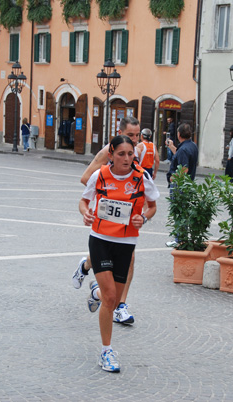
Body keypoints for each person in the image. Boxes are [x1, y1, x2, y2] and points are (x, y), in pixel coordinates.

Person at [79, 135, 159, 373]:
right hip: (101, 239)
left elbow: (153, 206)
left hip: (126, 243)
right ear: (111, 154)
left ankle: (95, 292)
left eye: (130, 153)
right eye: (121, 154)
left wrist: (143, 217)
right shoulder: (100, 175)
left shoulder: (142, 178)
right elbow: (84, 201)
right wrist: (85, 213)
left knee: (110, 299)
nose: (127, 158)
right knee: (112, 297)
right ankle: (106, 351)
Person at [74, 116, 143, 325]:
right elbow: (86, 177)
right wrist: (110, 191)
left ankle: (120, 304)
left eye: (137, 135)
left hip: (128, 217)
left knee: (128, 258)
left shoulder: (136, 151)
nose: (134, 139)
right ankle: (86, 268)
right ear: (120, 132)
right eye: (130, 135)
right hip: (107, 212)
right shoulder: (108, 151)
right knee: (103, 253)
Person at [165, 123, 199, 247]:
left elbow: (183, 169)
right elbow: (181, 156)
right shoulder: (191, 146)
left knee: (178, 212)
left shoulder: (184, 149)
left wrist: (173, 178)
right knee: (183, 212)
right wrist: (173, 148)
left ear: (179, 134)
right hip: (187, 184)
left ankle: (179, 239)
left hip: (180, 186)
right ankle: (181, 238)